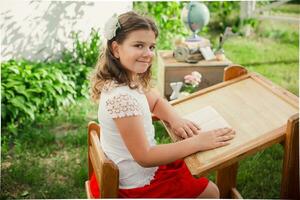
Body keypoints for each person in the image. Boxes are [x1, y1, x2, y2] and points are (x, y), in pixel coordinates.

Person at [89, 11, 235, 198]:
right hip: (136, 185)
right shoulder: (121, 97)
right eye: (139, 45)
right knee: (212, 193)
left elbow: (156, 102)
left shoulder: (129, 79)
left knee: (196, 171)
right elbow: (145, 156)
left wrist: (175, 120)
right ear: (116, 49)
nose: (148, 54)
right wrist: (198, 142)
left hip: (137, 169)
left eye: (151, 47)